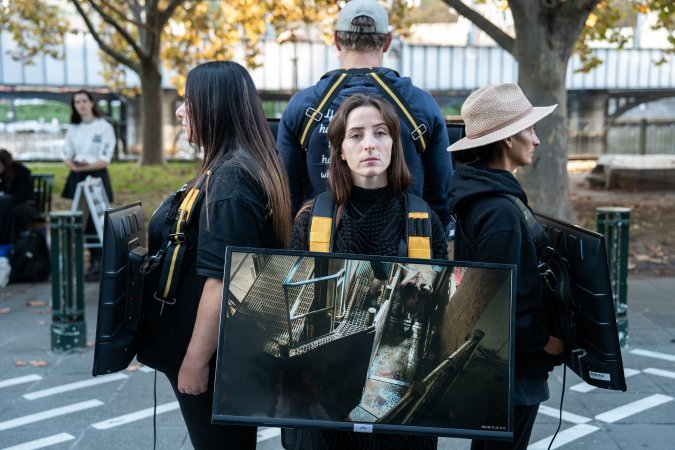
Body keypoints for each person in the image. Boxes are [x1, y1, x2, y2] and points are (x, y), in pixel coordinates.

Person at [136, 61, 292, 450]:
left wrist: (195, 360)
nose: (180, 110)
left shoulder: (231, 179)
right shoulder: (235, 166)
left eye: (188, 101)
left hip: (218, 358)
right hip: (232, 353)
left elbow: (222, 279)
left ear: (213, 106)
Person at [288, 93, 447, 450]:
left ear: (395, 144)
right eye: (356, 135)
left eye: (380, 133)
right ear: (340, 150)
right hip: (327, 407)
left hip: (400, 416)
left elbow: (435, 308)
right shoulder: (311, 221)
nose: (370, 144)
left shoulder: (423, 221)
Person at [446, 83, 565, 450]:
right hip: (510, 368)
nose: (537, 139)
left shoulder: (478, 195)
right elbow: (503, 299)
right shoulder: (498, 211)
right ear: (509, 139)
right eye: (530, 130)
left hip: (492, 362)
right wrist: (547, 343)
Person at [277, 0, 453, 230]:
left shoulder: (302, 106)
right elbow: (442, 195)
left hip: (320, 246)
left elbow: (285, 195)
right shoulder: (421, 104)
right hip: (404, 252)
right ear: (388, 41)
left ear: (337, 39)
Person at [61, 90, 116, 280]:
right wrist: (75, 167)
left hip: (96, 176)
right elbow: (66, 155)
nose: (81, 105)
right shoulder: (73, 128)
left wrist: (85, 167)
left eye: (84, 101)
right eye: (77, 102)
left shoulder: (104, 127)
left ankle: (104, 262)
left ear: (92, 103)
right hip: (77, 176)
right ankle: (92, 261)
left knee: (99, 221)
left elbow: (104, 159)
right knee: (82, 221)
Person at [0, 149, 37, 244]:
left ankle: (11, 243)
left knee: (14, 212)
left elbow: (23, 194)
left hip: (22, 204)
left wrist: (7, 198)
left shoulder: (21, 172)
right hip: (6, 204)